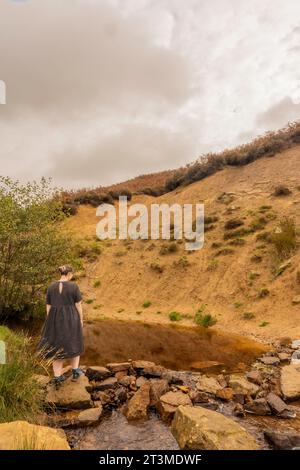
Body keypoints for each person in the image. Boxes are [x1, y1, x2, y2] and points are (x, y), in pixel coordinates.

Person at [38, 265, 84, 385]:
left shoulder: (51, 286)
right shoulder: (73, 286)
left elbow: (48, 306)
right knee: (75, 342)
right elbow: (78, 305)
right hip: (71, 318)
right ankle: (75, 371)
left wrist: (50, 320)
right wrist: (81, 320)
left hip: (54, 319)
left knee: (56, 346)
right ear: (69, 274)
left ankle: (57, 377)